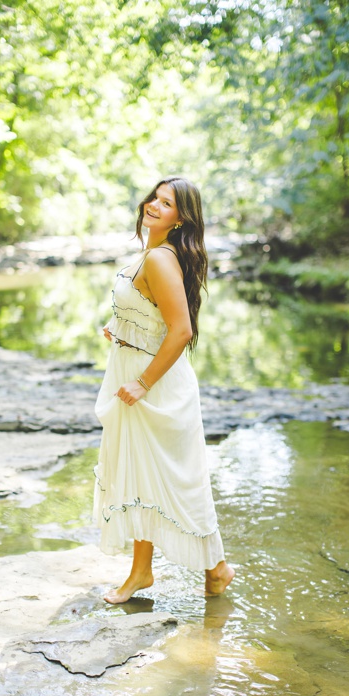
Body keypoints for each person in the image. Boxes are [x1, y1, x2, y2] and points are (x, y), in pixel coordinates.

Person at [95, 177, 236, 604]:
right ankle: (143, 572)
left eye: (167, 203)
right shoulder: (151, 253)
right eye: (154, 198)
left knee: (176, 481)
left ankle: (217, 567)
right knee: (144, 477)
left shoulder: (160, 258)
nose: (154, 206)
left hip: (155, 386)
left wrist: (142, 383)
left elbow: (181, 331)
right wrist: (120, 330)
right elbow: (154, 318)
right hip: (137, 372)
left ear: (180, 219)